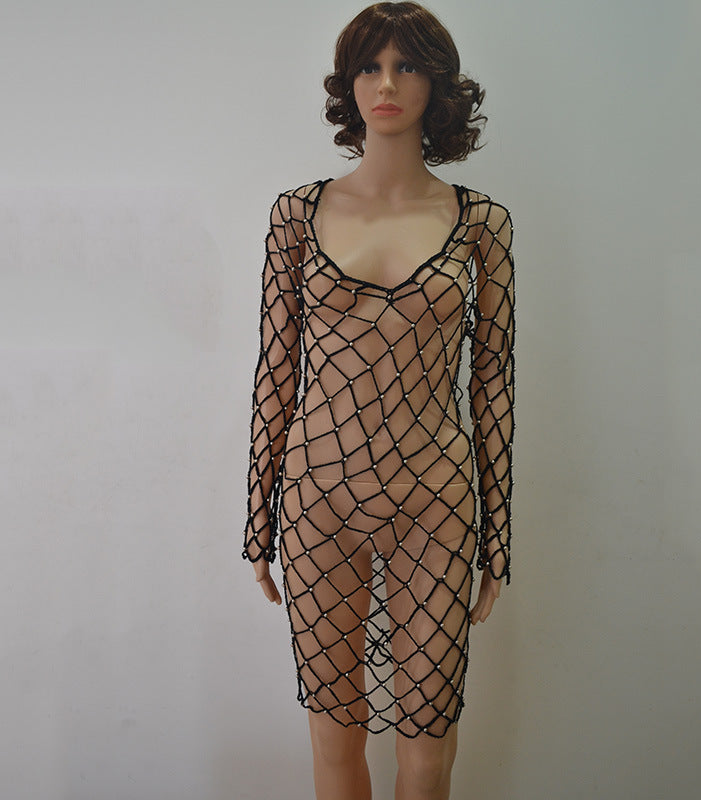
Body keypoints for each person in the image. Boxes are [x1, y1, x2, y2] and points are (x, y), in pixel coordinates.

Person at [242, 3, 515, 798]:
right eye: (369, 66)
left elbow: (493, 381)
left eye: (407, 66)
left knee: (427, 752)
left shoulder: (481, 223)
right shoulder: (297, 215)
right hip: (318, 498)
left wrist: (499, 538)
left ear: (439, 84)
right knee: (336, 741)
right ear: (348, 83)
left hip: (436, 499)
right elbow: (275, 371)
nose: (386, 84)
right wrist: (257, 518)